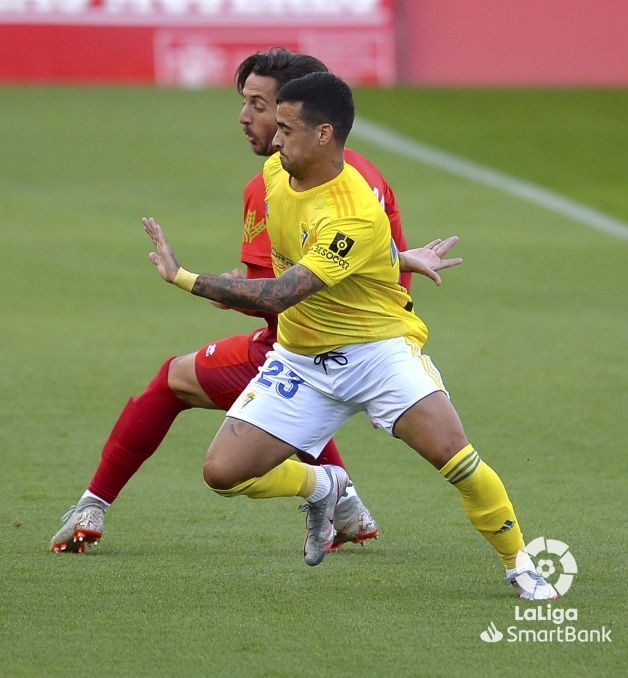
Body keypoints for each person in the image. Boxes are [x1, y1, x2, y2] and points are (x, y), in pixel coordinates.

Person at [142, 71, 556, 600]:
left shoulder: (354, 209)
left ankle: (521, 564)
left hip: (377, 354)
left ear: (323, 134)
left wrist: (184, 277)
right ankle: (324, 485)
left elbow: (280, 294)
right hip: (301, 360)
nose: (273, 136)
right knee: (223, 473)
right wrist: (404, 256)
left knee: (457, 459)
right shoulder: (275, 174)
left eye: (286, 128)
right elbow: (326, 262)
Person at [50, 49, 455, 556]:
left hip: (322, 340)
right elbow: (357, 260)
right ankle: (347, 504)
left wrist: (224, 288)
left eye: (261, 105)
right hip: (376, 334)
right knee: (294, 395)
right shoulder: (356, 170)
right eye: (245, 103)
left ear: (296, 111)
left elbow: (279, 300)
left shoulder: (276, 186)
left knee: (180, 380)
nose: (246, 117)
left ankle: (93, 505)